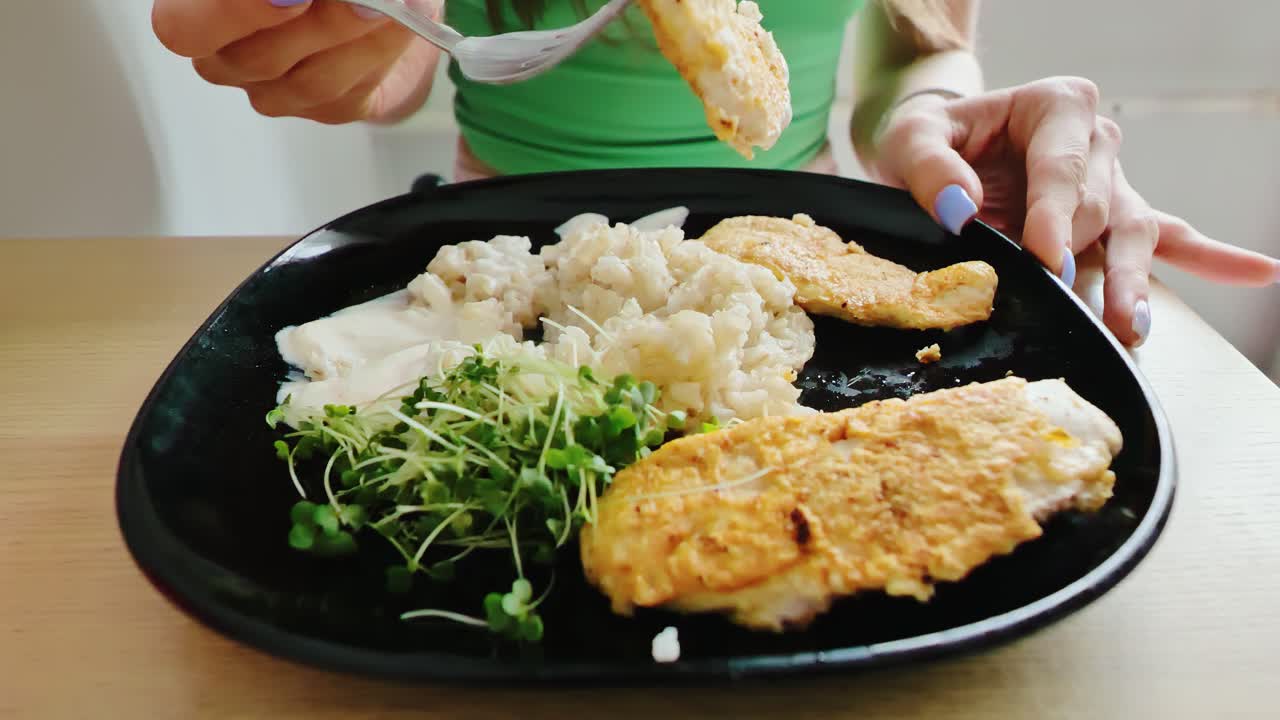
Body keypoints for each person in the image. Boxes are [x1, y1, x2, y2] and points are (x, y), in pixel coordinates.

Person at [151, 0, 1279, 346]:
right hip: (505, 261)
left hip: (800, 254)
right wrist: (349, 36)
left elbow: (915, 38)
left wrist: (935, 119)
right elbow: (399, 62)